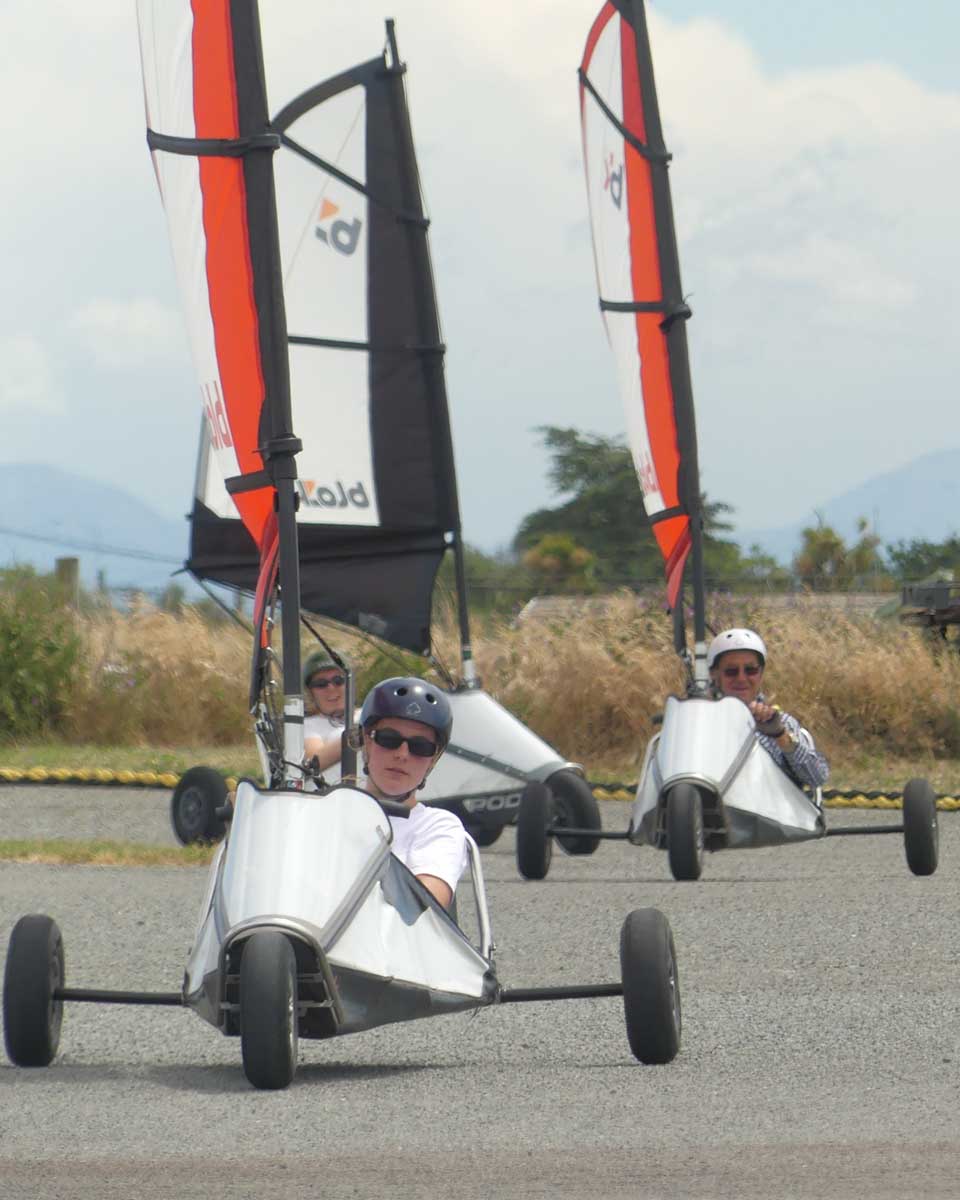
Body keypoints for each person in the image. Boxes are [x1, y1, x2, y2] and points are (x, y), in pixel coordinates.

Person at [355, 676, 468, 910]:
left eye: (420, 747)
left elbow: (424, 906)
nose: (402, 755)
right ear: (367, 742)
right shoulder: (330, 811)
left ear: (433, 760)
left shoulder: (438, 825)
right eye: (389, 739)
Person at [707, 628, 829, 792]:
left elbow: (817, 778)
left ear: (761, 673)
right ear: (714, 675)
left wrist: (780, 736)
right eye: (731, 672)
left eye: (750, 670)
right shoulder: (700, 722)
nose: (741, 678)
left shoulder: (782, 722)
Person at [302, 651, 349, 782]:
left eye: (338, 681)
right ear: (310, 692)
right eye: (321, 684)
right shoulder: (308, 725)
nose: (331, 688)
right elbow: (313, 764)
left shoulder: (368, 713)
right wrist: (357, 736)